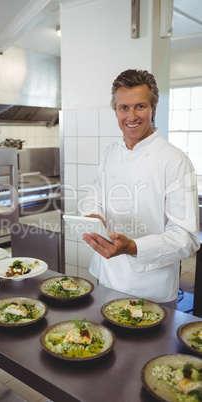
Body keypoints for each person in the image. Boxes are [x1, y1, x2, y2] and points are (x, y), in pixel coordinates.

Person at [81, 69, 200, 309]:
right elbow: (94, 196)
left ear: (153, 109)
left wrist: (133, 247)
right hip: (105, 279)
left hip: (151, 290)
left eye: (140, 106)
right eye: (124, 107)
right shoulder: (110, 152)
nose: (131, 116)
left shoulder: (175, 160)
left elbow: (187, 237)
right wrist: (93, 215)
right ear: (115, 111)